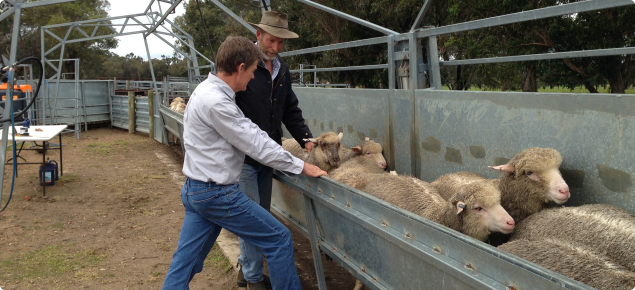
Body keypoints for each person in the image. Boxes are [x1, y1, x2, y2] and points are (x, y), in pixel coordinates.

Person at [161, 36, 327, 290]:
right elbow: (255, 142)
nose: (252, 78)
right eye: (251, 72)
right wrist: (302, 165)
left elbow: (251, 133)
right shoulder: (217, 102)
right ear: (240, 68)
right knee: (279, 238)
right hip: (217, 193)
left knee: (186, 263)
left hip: (196, 189)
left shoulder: (208, 91)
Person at [234, 11, 314, 290]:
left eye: (281, 43)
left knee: (261, 215)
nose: (276, 48)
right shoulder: (242, 66)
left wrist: (305, 137)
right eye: (271, 40)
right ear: (258, 36)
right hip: (242, 157)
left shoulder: (282, 70)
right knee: (251, 219)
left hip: (267, 155)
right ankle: (254, 279)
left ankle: (246, 270)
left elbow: (289, 108)